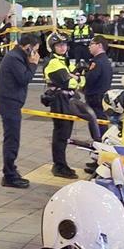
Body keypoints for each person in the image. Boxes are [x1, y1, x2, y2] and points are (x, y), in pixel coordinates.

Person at [42, 33, 100, 179]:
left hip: (68, 98)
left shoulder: (65, 61)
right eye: (59, 45)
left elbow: (80, 81)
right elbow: (68, 82)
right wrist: (76, 78)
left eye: (64, 44)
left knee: (65, 133)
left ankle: (61, 164)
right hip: (60, 99)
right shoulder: (54, 62)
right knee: (61, 133)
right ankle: (59, 166)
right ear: (52, 47)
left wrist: (76, 78)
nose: (62, 47)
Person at [0, 33, 41, 188]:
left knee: (13, 137)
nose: (36, 54)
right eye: (35, 50)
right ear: (28, 47)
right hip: (9, 103)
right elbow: (24, 78)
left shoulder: (17, 56)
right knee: (12, 138)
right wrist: (33, 64)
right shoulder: (14, 58)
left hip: (11, 102)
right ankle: (9, 174)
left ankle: (11, 170)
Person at [84, 35, 114, 120]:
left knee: (98, 124)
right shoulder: (105, 60)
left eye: (91, 44)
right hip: (102, 96)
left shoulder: (97, 62)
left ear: (100, 45)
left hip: (95, 98)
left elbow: (90, 79)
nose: (89, 47)